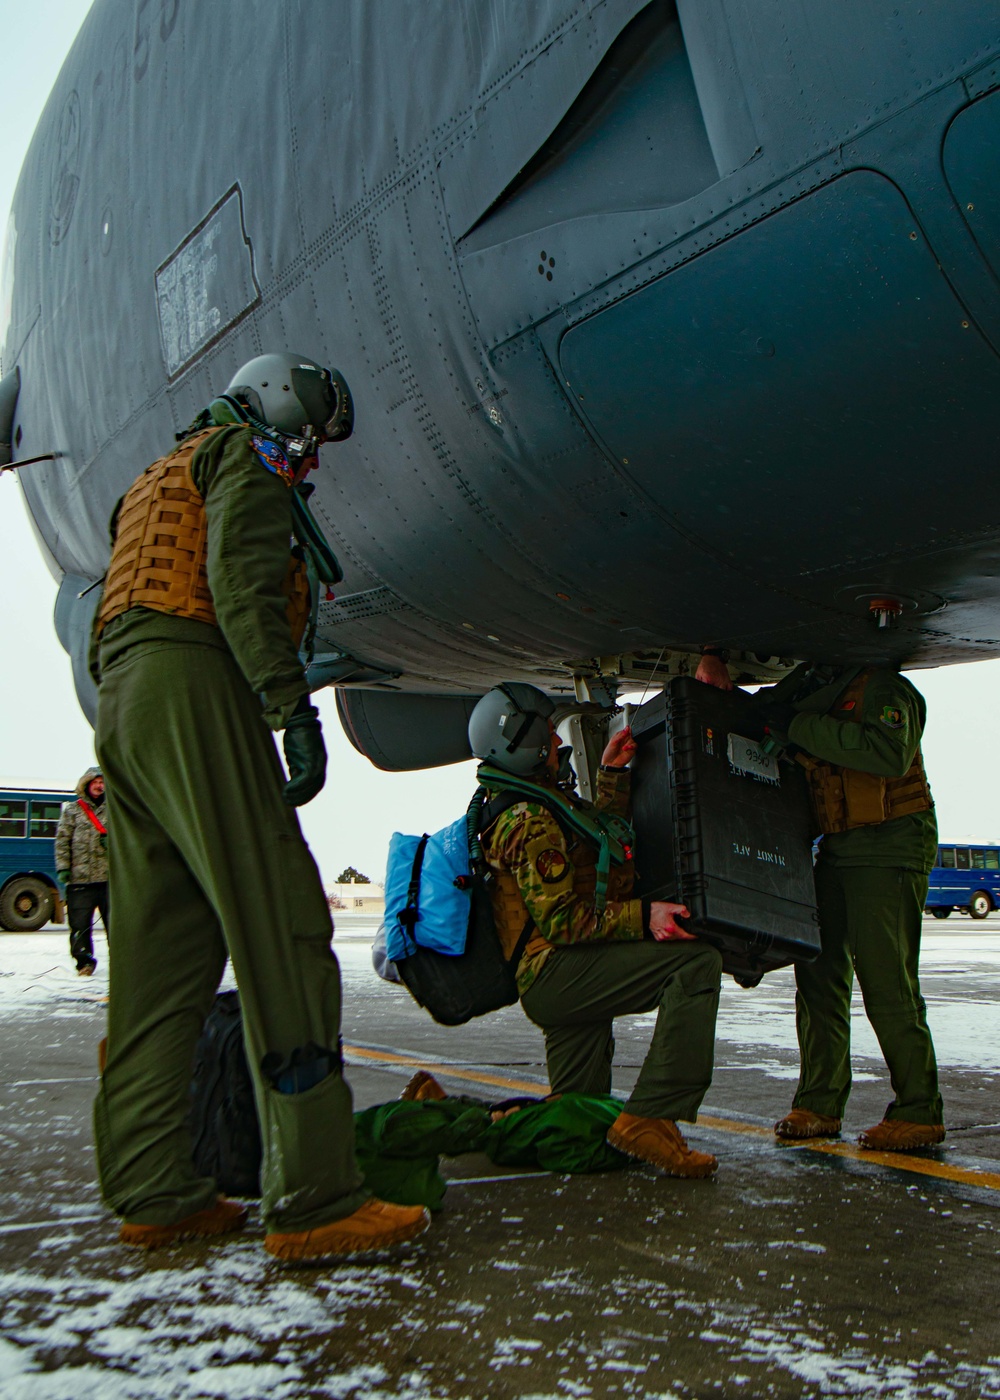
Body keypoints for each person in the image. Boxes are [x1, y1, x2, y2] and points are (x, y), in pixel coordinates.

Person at [91, 351, 428, 1260]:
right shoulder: (247, 455)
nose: (310, 459)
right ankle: (315, 1197)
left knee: (162, 960)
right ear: (282, 406)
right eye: (312, 436)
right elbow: (241, 586)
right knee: (284, 933)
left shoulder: (157, 475)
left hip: (125, 701)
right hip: (197, 682)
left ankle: (154, 1188)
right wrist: (289, 706)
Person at [468, 683, 723, 1179]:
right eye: (549, 735)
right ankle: (653, 1115)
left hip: (552, 979)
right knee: (696, 964)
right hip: (557, 973)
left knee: (578, 1132)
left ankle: (458, 1119)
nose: (560, 744)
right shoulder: (529, 818)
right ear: (525, 745)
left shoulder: (535, 802)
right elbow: (563, 921)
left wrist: (611, 773)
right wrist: (644, 916)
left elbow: (597, 845)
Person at [751, 662, 943, 1151]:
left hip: (889, 848)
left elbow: (889, 753)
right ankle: (818, 1103)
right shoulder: (819, 693)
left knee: (887, 982)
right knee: (817, 975)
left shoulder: (881, 688)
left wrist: (796, 726)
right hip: (836, 848)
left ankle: (919, 1109)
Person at [55, 766, 109, 975]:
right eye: (95, 782)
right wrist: (63, 869)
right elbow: (62, 841)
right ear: (86, 784)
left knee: (116, 925)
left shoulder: (115, 809)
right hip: (80, 881)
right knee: (79, 925)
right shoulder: (73, 810)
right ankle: (84, 963)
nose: (99, 786)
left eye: (102, 782)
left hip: (108, 880)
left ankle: (122, 964)